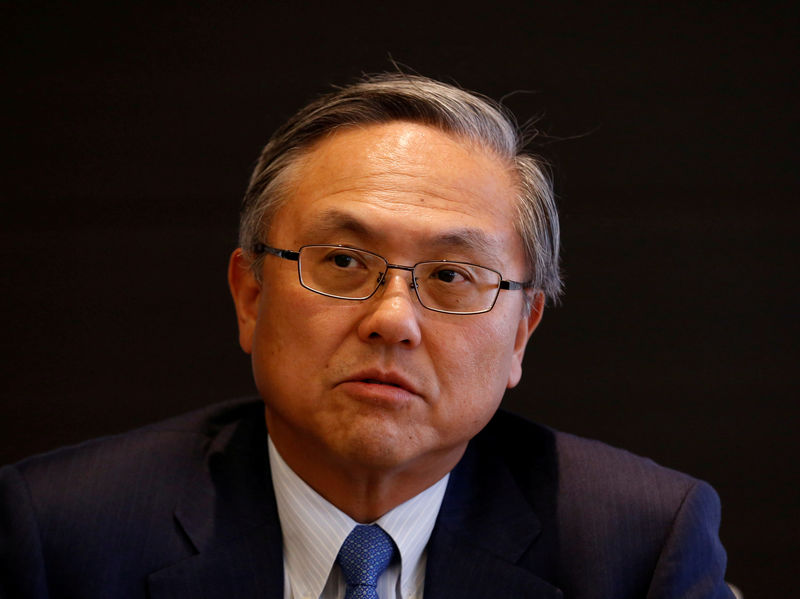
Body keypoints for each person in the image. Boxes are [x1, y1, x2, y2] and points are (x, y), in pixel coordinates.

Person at [0, 74, 734, 599]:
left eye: (452, 275)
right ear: (251, 295)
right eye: (345, 262)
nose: (392, 318)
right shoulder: (63, 531)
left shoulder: (637, 548)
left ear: (521, 333)